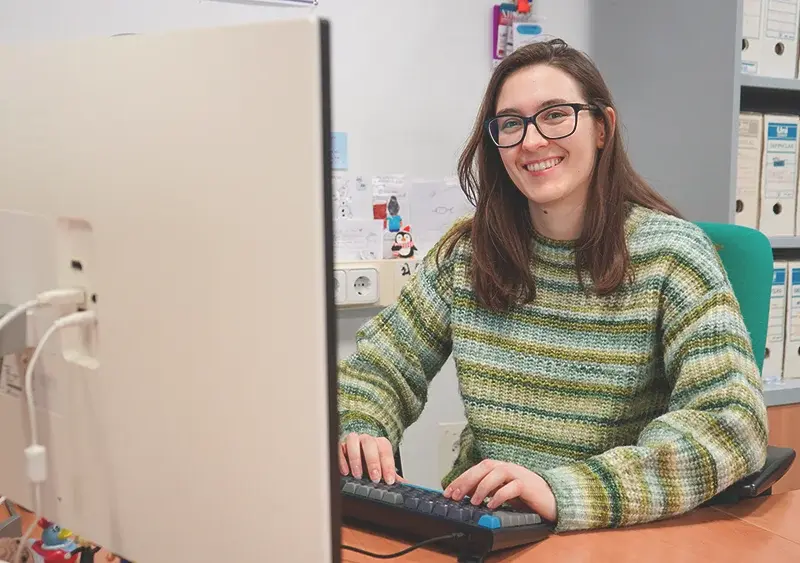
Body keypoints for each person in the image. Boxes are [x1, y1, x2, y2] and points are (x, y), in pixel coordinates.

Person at [336, 38, 768, 532]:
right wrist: (361, 426)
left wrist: (564, 490)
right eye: (511, 124)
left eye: (556, 114)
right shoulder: (469, 252)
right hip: (488, 528)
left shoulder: (672, 256)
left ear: (602, 128)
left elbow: (732, 424)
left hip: (612, 536)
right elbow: (378, 366)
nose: (532, 140)